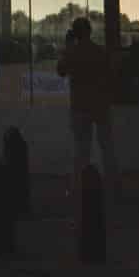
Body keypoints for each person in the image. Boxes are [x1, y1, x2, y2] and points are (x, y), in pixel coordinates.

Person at [56, 14, 118, 195]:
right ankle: (112, 186)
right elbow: (110, 76)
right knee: (107, 147)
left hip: (80, 107)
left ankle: (79, 187)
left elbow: (60, 70)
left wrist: (68, 47)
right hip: (100, 105)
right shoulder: (100, 52)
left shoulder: (72, 52)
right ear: (89, 32)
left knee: (81, 149)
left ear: (74, 33)